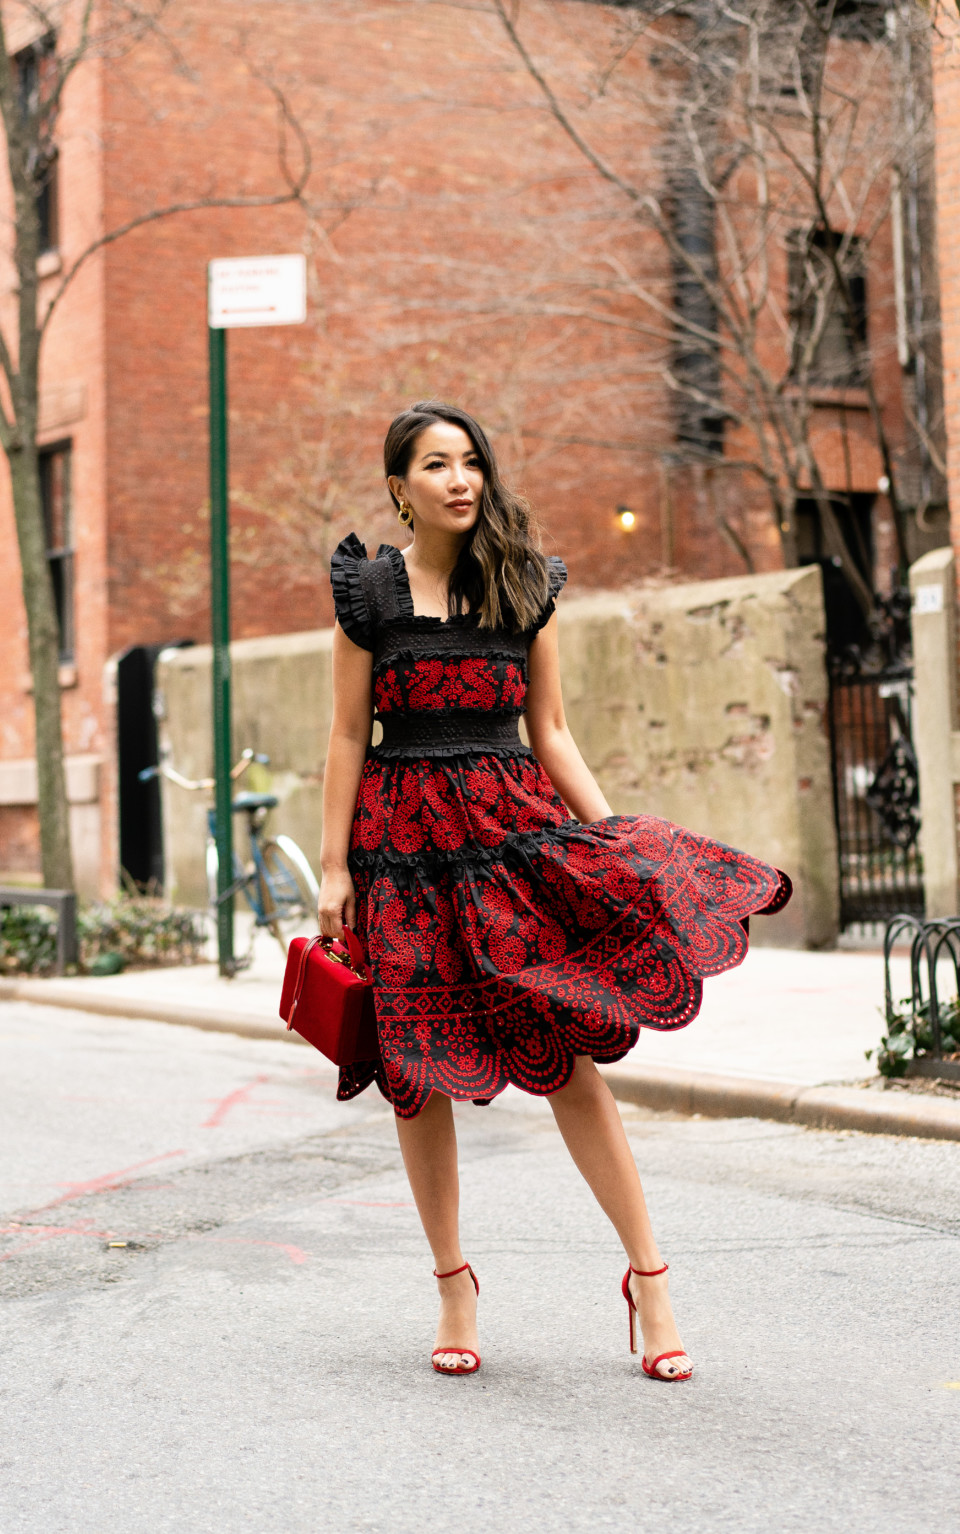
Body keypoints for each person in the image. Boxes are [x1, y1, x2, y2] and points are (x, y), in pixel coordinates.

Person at [317, 400, 790, 1382]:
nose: (459, 478)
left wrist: (614, 843)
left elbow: (553, 731)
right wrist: (332, 869)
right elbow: (343, 737)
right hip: (400, 853)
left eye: (471, 461)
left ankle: (648, 1277)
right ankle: (453, 1282)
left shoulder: (525, 586)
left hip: (508, 841)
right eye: (435, 464)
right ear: (399, 487)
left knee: (568, 1054)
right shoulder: (367, 595)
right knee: (415, 1075)